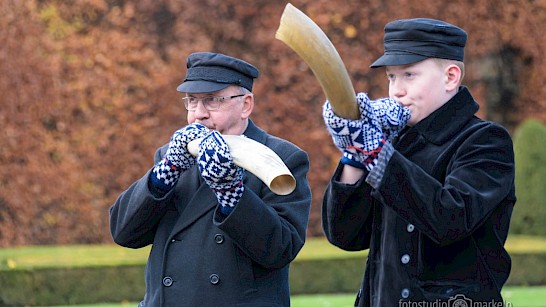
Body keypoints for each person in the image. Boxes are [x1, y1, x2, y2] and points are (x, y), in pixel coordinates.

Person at [321, 18, 516, 306]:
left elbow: (449, 219)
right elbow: (345, 236)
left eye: (409, 75)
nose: (396, 90)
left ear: (451, 77)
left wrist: (376, 153)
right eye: (391, 77)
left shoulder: (486, 141)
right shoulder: (393, 142)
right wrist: (355, 154)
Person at [110, 52, 312, 306]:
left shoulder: (284, 158)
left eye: (212, 101)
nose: (198, 114)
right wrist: (165, 173)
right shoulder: (172, 155)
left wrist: (231, 193)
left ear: (246, 104)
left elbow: (281, 249)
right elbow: (124, 233)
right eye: (192, 101)